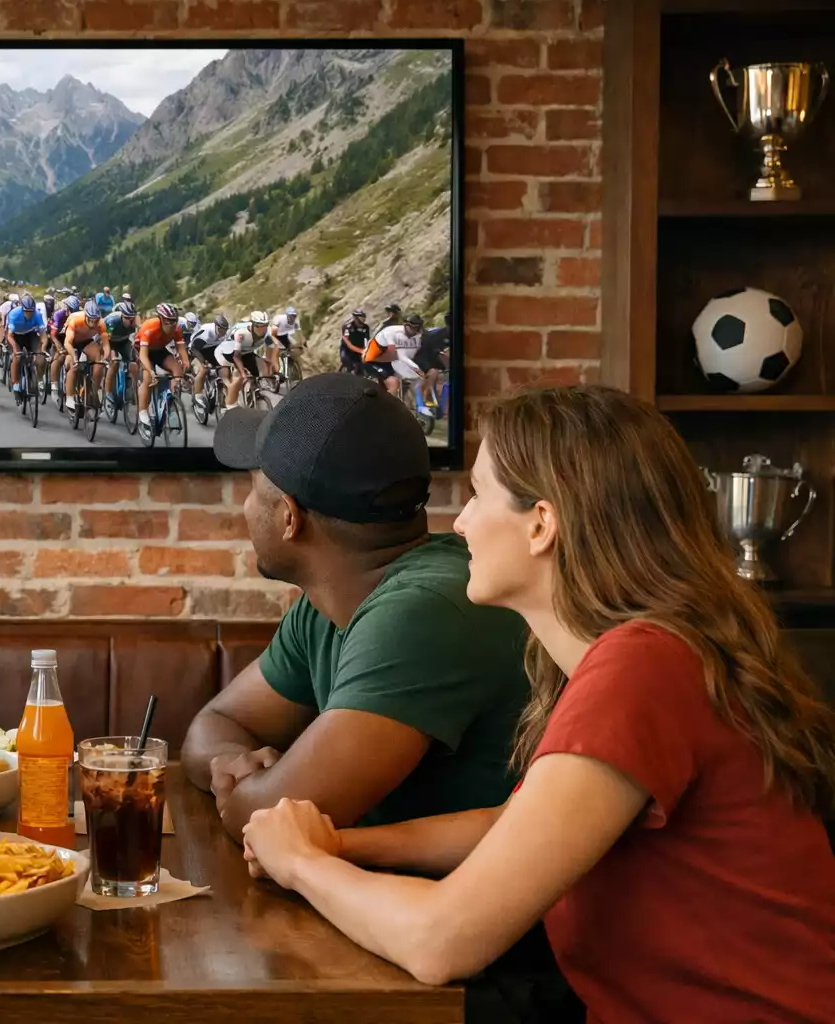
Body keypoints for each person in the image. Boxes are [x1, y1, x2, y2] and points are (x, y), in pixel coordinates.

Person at [241, 385, 835, 1019]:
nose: (459, 523)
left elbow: (440, 942)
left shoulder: (642, 670)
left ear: (541, 525)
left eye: (478, 495)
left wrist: (300, 861)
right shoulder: (635, 656)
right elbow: (512, 826)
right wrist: (343, 845)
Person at [188, 372, 531, 841]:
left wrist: (249, 792)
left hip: (450, 891)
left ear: (289, 518)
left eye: (251, 487)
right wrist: (231, 762)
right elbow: (217, 725)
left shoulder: (424, 612)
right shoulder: (330, 602)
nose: (245, 507)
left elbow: (272, 818)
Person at [134, 303, 189, 434]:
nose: (171, 325)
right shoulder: (150, 327)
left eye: (174, 321)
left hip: (159, 350)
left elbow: (181, 349)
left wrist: (186, 363)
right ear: (161, 319)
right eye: (168, 321)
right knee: (148, 378)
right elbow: (143, 355)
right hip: (143, 350)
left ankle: (170, 403)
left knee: (177, 371)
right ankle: (143, 412)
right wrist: (151, 371)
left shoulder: (177, 329)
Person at [58, 302, 107, 417]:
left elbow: (106, 345)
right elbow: (68, 343)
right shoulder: (75, 320)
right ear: (86, 316)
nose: (93, 323)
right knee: (73, 366)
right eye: (91, 320)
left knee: (98, 357)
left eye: (96, 320)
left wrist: (104, 359)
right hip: (71, 341)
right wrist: (74, 357)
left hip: (86, 341)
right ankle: (70, 396)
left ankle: (91, 390)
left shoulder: (101, 323)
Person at [213, 311, 268, 412]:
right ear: (253, 325)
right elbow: (236, 357)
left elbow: (271, 347)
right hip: (227, 352)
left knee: (255, 375)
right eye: (259, 326)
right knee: (237, 377)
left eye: (265, 325)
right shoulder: (241, 334)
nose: (262, 329)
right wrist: (243, 373)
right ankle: (228, 405)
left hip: (245, 352)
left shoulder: (267, 333)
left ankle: (251, 395)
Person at [369, 314, 425, 400]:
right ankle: (387, 404)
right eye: (415, 328)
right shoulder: (390, 329)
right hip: (376, 360)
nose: (416, 331)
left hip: (389, 360)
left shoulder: (411, 336)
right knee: (394, 382)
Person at [189, 313, 231, 416]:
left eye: (224, 330)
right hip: (197, 350)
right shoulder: (207, 332)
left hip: (213, 349)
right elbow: (194, 348)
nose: (222, 333)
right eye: (220, 330)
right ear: (215, 326)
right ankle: (198, 396)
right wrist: (203, 362)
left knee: (225, 370)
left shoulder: (226, 334)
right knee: (204, 369)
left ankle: (223, 402)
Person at [6, 294, 47, 395]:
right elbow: (10, 336)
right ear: (22, 309)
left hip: (30, 334)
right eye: (27, 312)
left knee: (41, 358)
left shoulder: (37, 314)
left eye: (31, 312)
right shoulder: (14, 314)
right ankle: (15, 383)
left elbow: (43, 335)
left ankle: (39, 379)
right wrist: (15, 349)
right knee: (17, 357)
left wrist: (43, 349)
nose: (29, 314)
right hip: (15, 335)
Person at [340, 308, 370, 376]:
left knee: (362, 368)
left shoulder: (366, 327)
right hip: (347, 350)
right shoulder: (347, 327)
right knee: (350, 365)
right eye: (361, 317)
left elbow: (367, 340)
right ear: (355, 318)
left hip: (359, 350)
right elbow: (348, 343)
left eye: (364, 317)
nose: (363, 319)